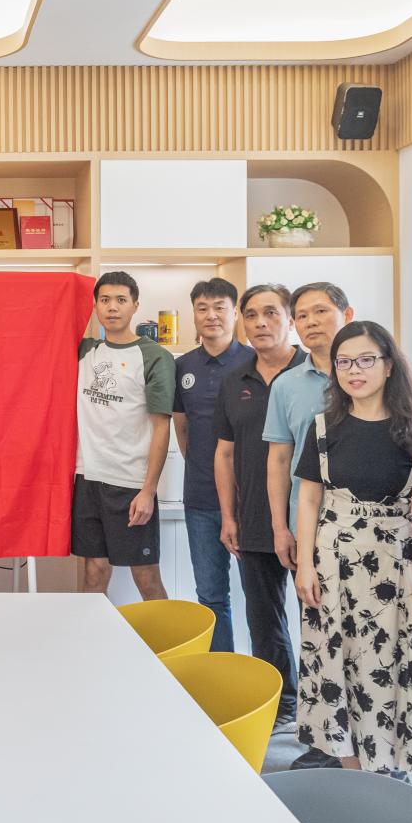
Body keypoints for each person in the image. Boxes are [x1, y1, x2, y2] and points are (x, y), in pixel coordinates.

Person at [292, 321, 412, 776]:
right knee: (336, 661)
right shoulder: (324, 427)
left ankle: (390, 766)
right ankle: (353, 770)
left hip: (396, 563)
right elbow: (309, 500)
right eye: (344, 362)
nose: (354, 370)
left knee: (390, 660)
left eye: (365, 360)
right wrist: (304, 565)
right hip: (333, 561)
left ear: (389, 365)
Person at [262, 281, 353, 771]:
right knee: (317, 636)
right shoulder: (287, 386)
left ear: (346, 314)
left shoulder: (375, 373)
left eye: (321, 311)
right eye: (302, 315)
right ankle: (323, 742)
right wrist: (281, 528)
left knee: (368, 640)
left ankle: (375, 744)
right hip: (310, 529)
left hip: (372, 533)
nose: (311, 321)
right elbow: (279, 460)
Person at [214, 283, 305, 734]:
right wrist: (228, 516)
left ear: (290, 320)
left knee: (318, 617)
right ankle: (282, 703)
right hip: (252, 516)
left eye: (271, 313)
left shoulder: (318, 373)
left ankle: (324, 709)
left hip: (310, 520)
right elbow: (224, 453)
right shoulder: (234, 380)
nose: (260, 323)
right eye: (251, 315)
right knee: (263, 617)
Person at [73, 271, 175, 600]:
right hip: (87, 479)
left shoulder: (154, 356)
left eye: (120, 300)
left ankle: (166, 637)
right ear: (95, 307)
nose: (112, 307)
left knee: (146, 576)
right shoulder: (84, 351)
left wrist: (148, 490)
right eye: (104, 300)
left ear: (135, 306)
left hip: (130, 483)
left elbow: (162, 426)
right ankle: (90, 634)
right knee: (94, 571)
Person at [172, 277, 252, 650]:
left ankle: (269, 676)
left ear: (235, 313)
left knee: (261, 595)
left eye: (220, 307)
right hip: (201, 499)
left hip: (251, 500)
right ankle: (222, 669)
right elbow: (182, 428)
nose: (211, 315)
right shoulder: (183, 366)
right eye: (202, 308)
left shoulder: (255, 361)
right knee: (211, 595)